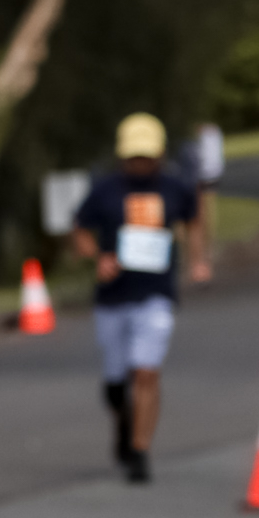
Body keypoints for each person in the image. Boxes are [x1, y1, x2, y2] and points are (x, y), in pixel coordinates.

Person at [70, 113, 210, 482]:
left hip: (156, 293)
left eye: (146, 157)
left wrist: (198, 261)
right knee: (117, 383)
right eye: (134, 157)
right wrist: (98, 258)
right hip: (113, 297)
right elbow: (80, 230)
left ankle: (140, 449)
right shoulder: (105, 191)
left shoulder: (174, 189)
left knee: (146, 372)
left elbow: (194, 219)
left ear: (159, 154)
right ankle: (123, 421)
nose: (140, 164)